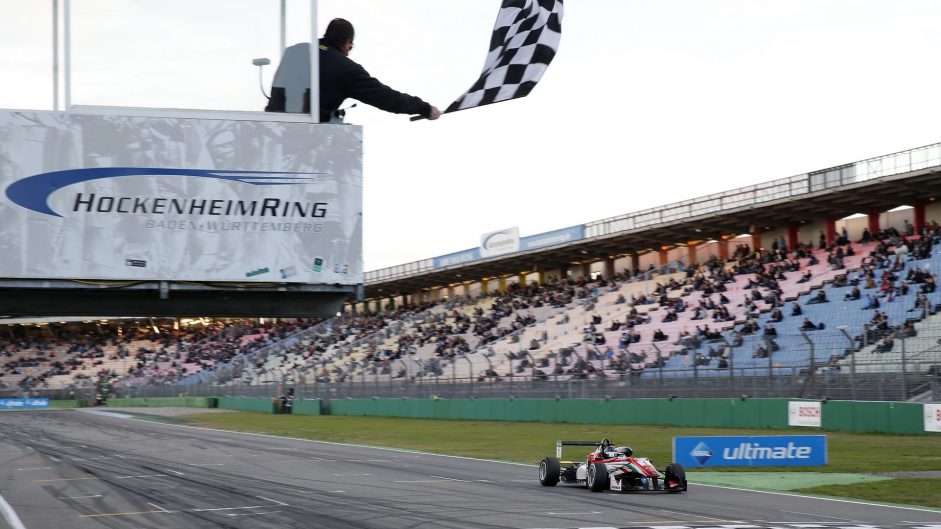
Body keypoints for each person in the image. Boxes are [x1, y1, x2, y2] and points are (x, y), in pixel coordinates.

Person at [267, 18, 442, 122]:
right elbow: (388, 99)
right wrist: (425, 108)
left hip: (268, 133)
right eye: (351, 46)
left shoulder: (294, 51)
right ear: (347, 43)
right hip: (307, 143)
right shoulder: (347, 70)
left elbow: (275, 91)